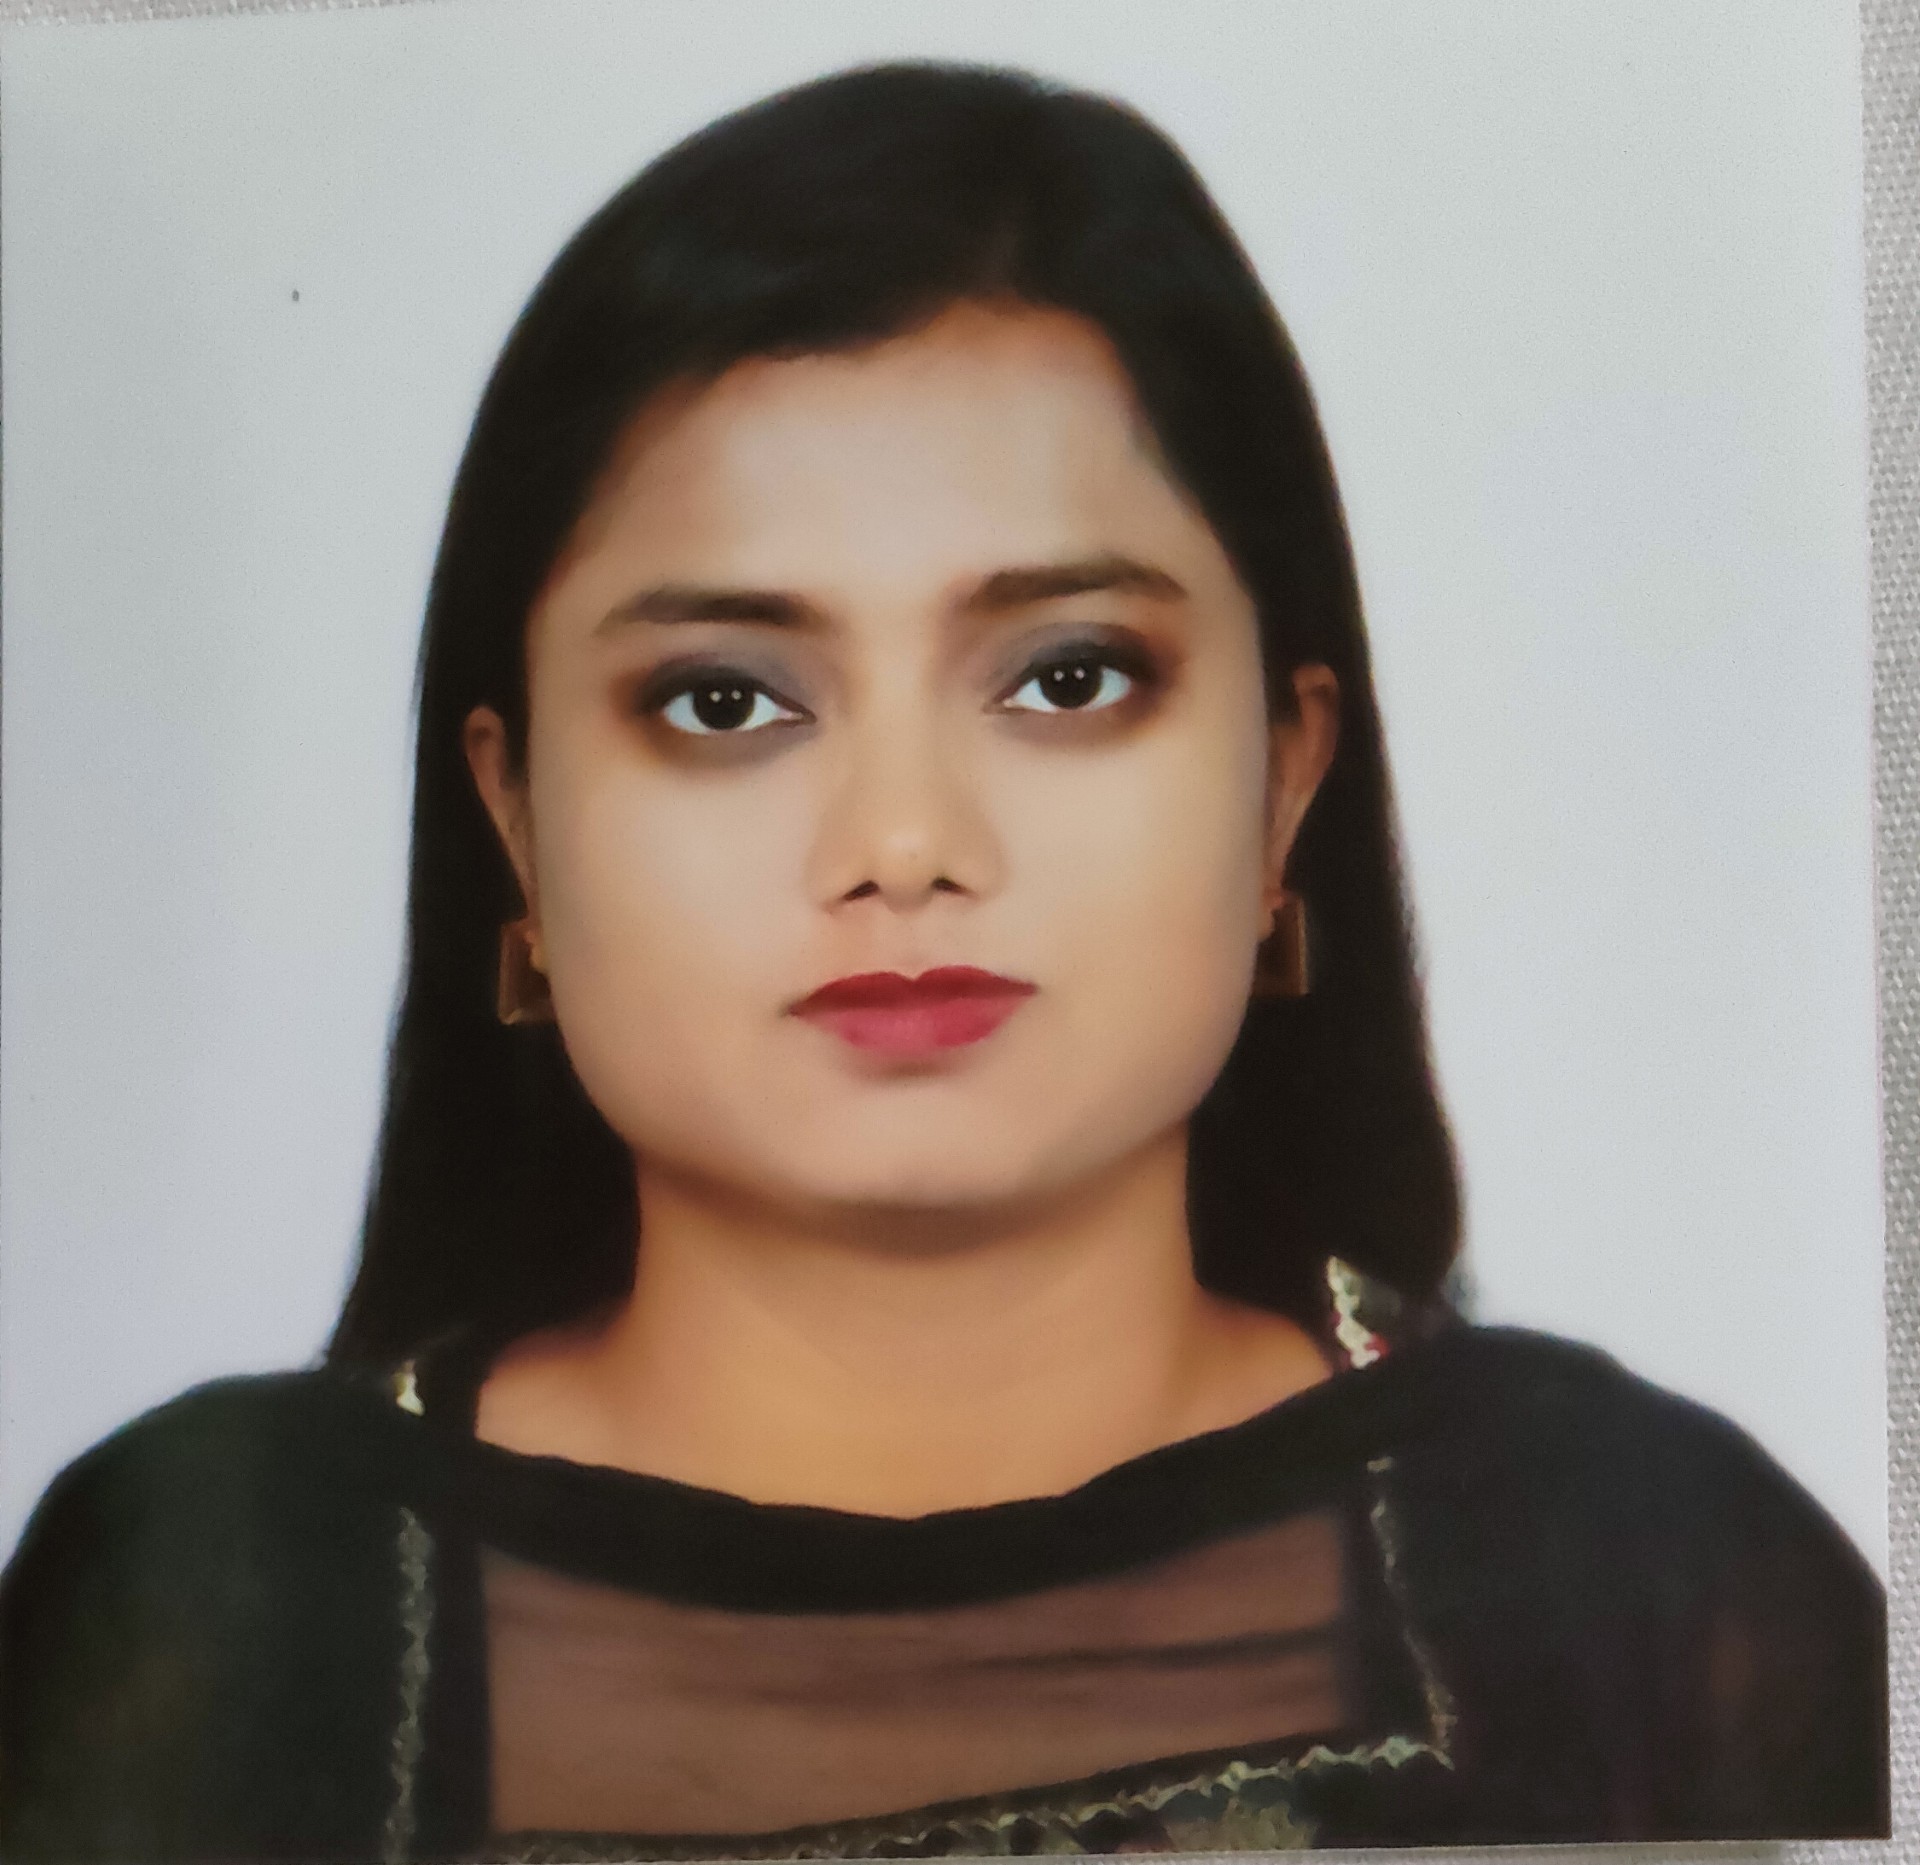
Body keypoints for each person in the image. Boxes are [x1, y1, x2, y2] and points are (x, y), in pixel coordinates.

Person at [0, 61, 1887, 1861]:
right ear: (515, 824)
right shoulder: (206, 1605)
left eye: (1068, 678)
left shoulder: (1656, 1582)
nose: (903, 842)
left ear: (1285, 783)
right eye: (725, 699)